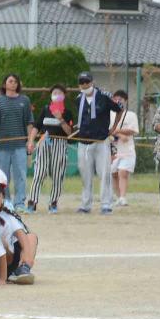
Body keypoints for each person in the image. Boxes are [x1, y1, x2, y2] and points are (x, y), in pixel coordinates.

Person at [70, 72, 114, 213]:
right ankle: (85, 205)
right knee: (85, 175)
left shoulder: (104, 96)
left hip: (101, 141)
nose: (84, 85)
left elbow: (119, 109)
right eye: (81, 82)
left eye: (87, 82)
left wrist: (113, 128)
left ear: (92, 82)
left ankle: (106, 204)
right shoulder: (78, 99)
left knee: (104, 173)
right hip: (83, 142)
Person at [0, 73, 32, 198]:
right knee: (2, 176)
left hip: (20, 146)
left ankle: (20, 202)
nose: (13, 83)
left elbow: (29, 123)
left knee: (20, 175)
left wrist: (30, 140)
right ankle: (5, 202)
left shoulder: (25, 100)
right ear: (5, 84)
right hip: (2, 146)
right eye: (10, 81)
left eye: (15, 81)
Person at [28, 86, 69, 213]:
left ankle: (53, 203)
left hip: (60, 143)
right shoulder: (45, 109)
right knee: (39, 172)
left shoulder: (67, 112)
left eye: (60, 93)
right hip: (44, 142)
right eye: (55, 93)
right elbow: (36, 126)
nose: (57, 95)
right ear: (51, 95)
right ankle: (32, 202)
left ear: (64, 96)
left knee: (58, 174)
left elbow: (68, 132)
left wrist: (61, 119)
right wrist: (30, 141)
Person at [108, 90, 139, 211]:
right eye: (116, 98)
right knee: (114, 174)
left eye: (121, 99)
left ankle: (123, 197)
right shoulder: (109, 114)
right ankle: (118, 197)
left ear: (125, 101)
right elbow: (107, 130)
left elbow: (133, 130)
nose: (118, 100)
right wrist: (117, 134)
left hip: (128, 150)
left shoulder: (131, 115)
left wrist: (117, 132)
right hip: (113, 149)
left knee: (123, 172)